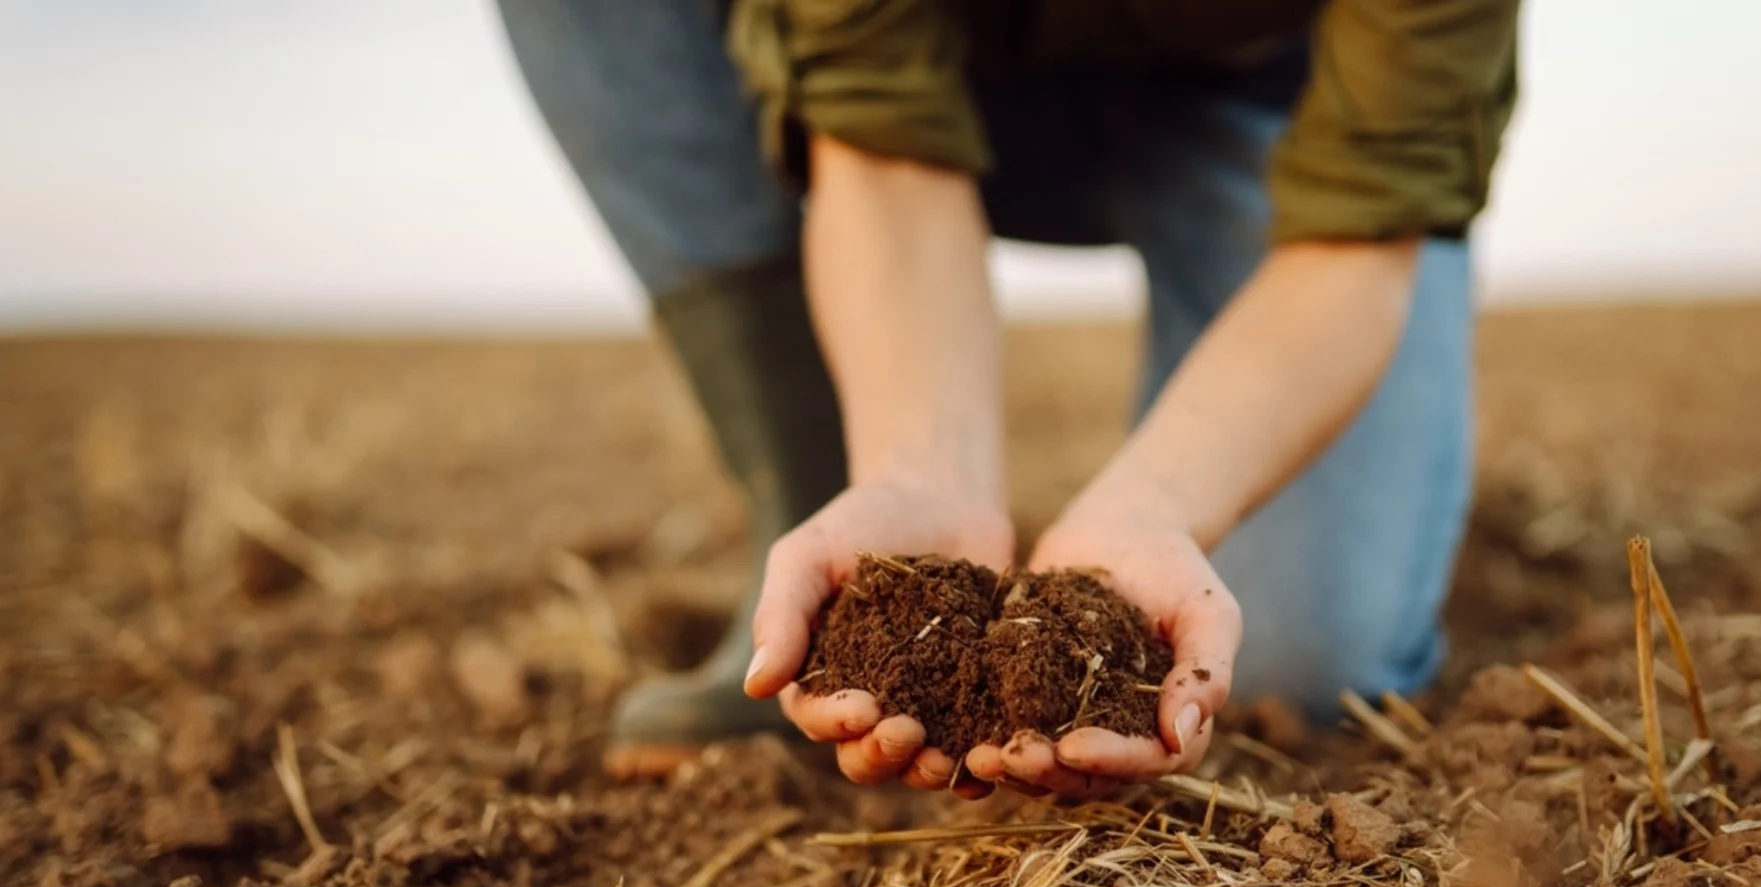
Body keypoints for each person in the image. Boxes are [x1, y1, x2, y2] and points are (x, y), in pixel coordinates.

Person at [498, 0, 1519, 797]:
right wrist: (917, 475)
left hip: (1276, 111)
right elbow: (877, 127)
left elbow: (1357, 241)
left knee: (1301, 666)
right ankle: (817, 491)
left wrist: (1153, 508)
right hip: (960, 85)